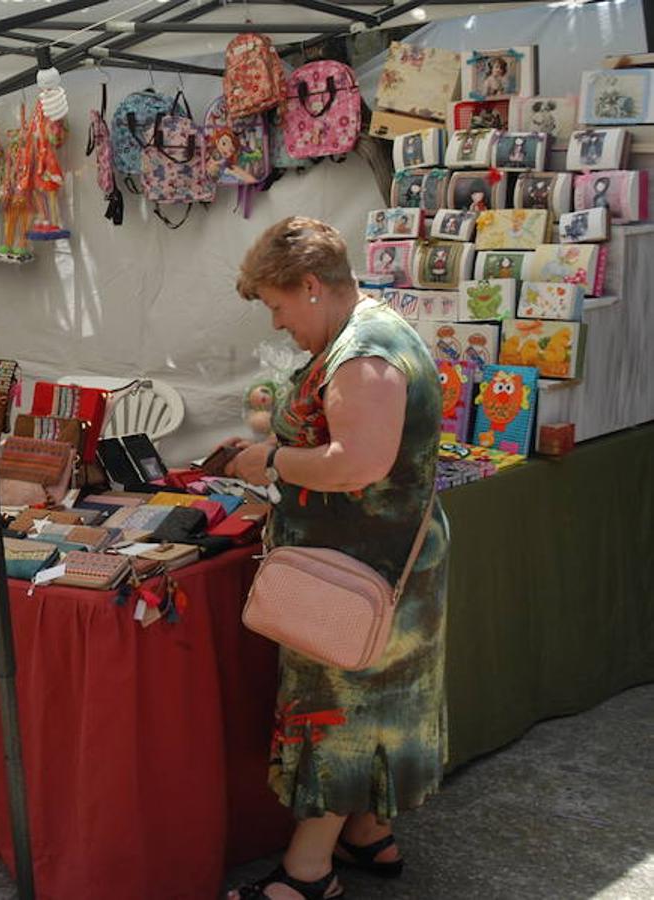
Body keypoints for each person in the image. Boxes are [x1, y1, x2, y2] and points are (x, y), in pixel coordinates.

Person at [221, 217, 450, 900]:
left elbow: (356, 463)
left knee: (338, 713)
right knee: (375, 707)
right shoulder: (368, 331)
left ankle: (307, 873)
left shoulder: (362, 354)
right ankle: (367, 834)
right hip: (375, 565)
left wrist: (269, 461)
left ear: (311, 286)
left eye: (278, 306)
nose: (278, 323)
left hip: (356, 572)